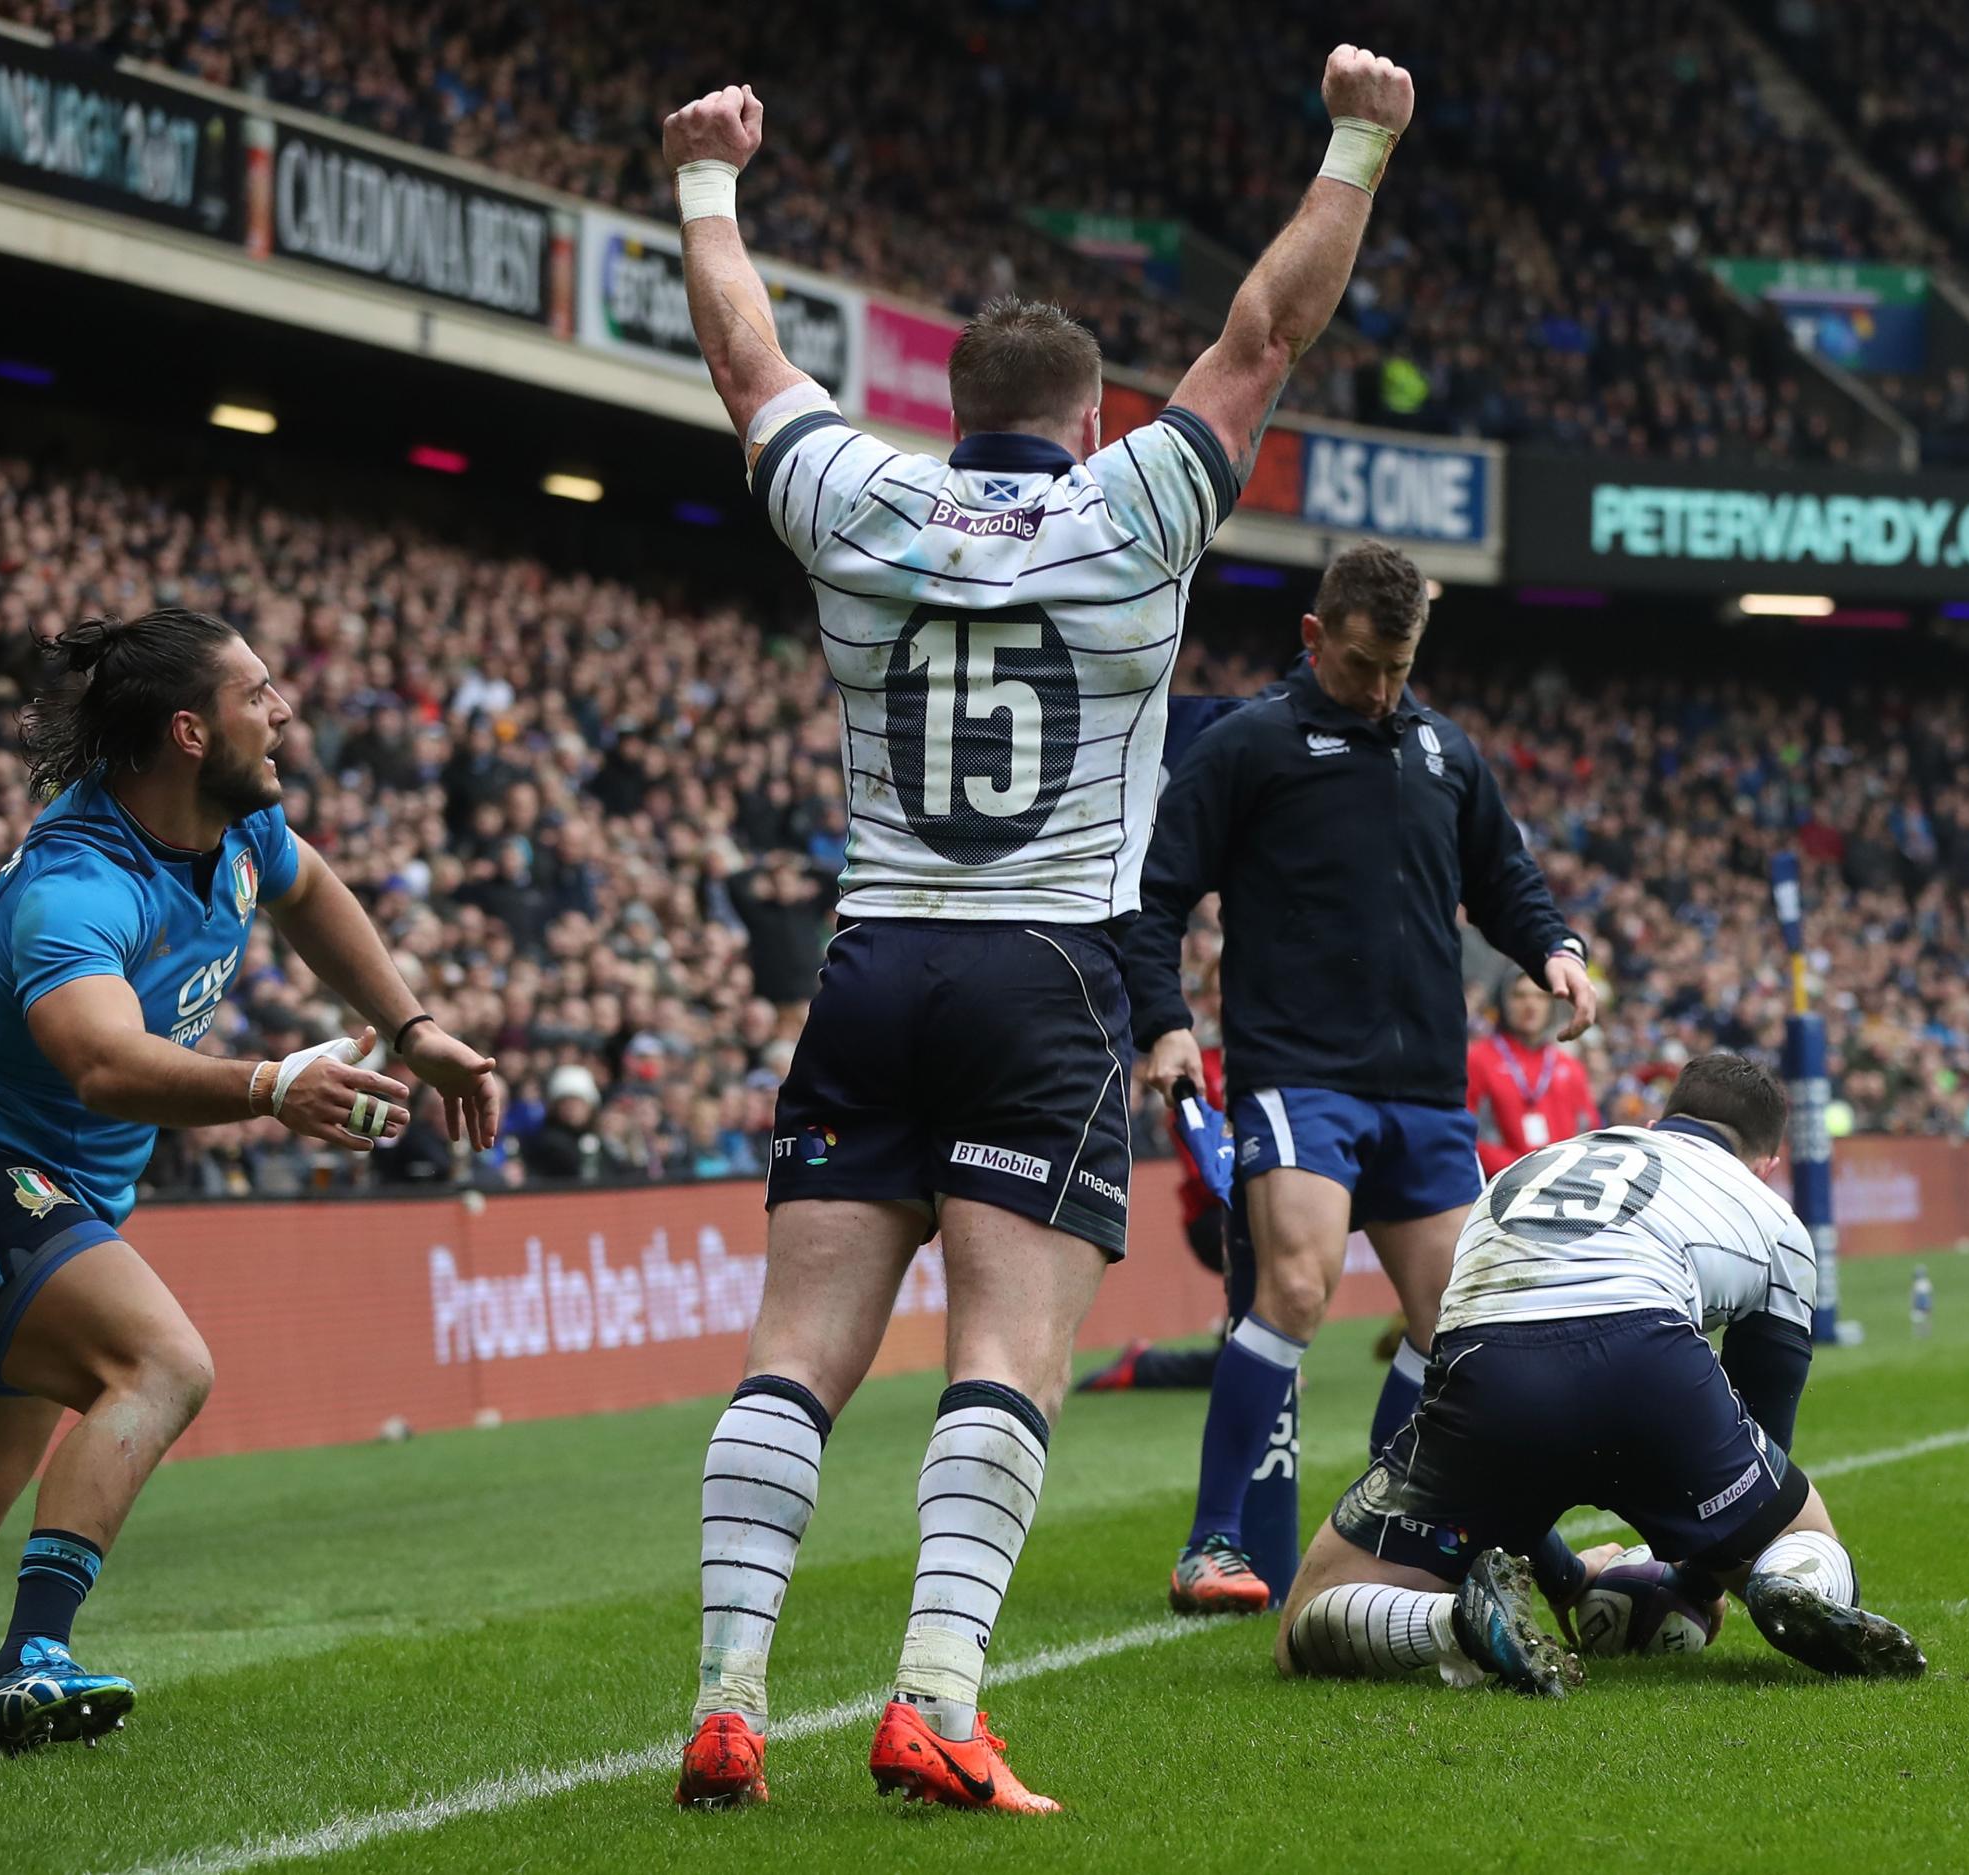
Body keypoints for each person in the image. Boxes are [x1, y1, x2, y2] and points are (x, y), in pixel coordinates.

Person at [659, 43, 1417, 1814]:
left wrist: (707, 185)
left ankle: (725, 1697)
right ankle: (934, 1696)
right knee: (1004, 1359)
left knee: (794, 1357)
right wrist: (1358, 145)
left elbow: (745, 358)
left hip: (876, 961)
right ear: (1090, 419)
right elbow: (1264, 336)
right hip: (1051, 969)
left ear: (946, 404)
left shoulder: (858, 498)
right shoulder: (1131, 507)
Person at [0, 608, 500, 1754]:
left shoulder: (240, 830)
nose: (285, 710)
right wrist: (266, 1085)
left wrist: (411, 1027)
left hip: (64, 1194)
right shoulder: (77, 885)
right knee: (159, 1361)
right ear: (191, 731)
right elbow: (99, 1062)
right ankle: (27, 1666)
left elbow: (310, 893)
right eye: (259, 694)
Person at [1125, 542, 1597, 1618]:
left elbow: (1503, 877)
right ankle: (1211, 1543)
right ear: (1313, 637)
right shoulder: (1250, 745)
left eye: (1398, 669)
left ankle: (1386, 1523)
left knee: (1453, 1323)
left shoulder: (1442, 751)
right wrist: (1166, 1025)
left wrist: (1554, 950)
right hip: (1298, 1072)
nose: (1381, 690)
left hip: (1427, 1086)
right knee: (1297, 1289)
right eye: (1359, 668)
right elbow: (1154, 898)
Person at [1274, 1054, 1926, 1690]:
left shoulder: (1529, 1168)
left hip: (1491, 1368)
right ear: (1767, 1165)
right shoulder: (1774, 1217)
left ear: (1655, 1124)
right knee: (1797, 1531)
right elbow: (1764, 1435)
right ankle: (1792, 1586)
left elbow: (1507, 1448)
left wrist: (1565, 1576)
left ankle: (1452, 1623)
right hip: (1652, 1363)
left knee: (1310, 1609)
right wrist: (1699, 1584)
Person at [1468, 968, 1600, 1180]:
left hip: (1562, 1187)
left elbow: (1589, 1133)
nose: (1531, 1005)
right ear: (1502, 1001)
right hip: (1500, 1187)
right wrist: (1525, 1172)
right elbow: (1466, 1135)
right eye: (1519, 996)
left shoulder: (1570, 1066)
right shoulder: (1477, 1059)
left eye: (1540, 996)